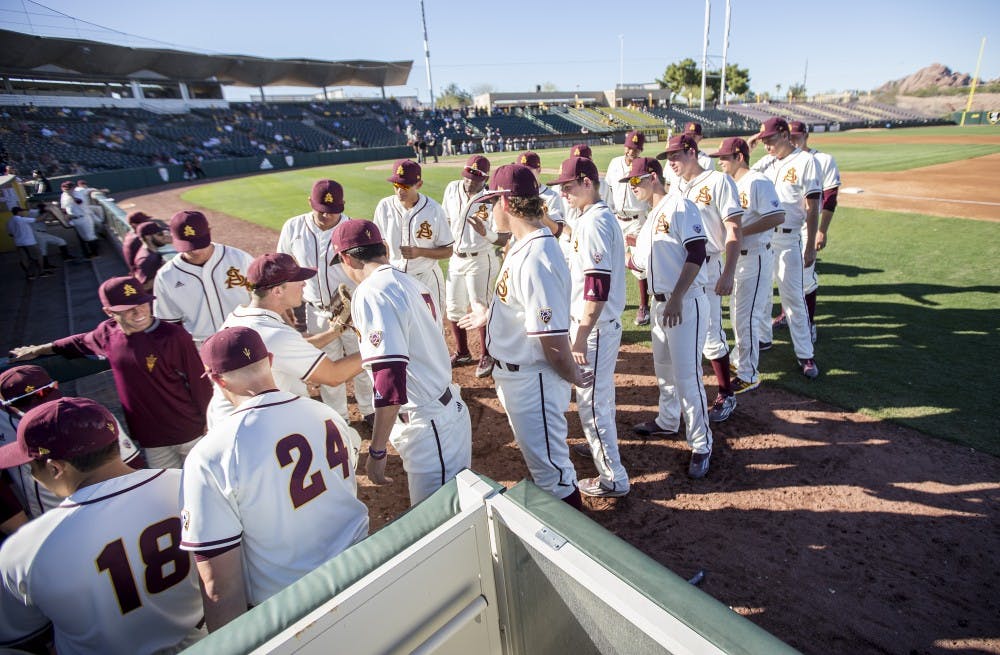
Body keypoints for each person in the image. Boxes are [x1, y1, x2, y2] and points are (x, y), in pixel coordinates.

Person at [181, 327, 368, 631]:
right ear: (269, 359)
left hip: (292, 614)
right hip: (362, 572)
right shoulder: (326, 414)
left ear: (217, 379)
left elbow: (220, 587)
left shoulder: (211, 454)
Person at [0, 397, 205, 654]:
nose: (32, 475)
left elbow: (25, 637)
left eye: (31, 467)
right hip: (205, 643)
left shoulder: (24, 548)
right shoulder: (189, 484)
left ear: (54, 469)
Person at [459, 164, 592, 509]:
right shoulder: (524, 245)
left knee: (553, 475)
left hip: (534, 381)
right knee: (545, 468)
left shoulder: (537, 255)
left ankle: (577, 554)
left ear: (506, 202)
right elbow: (525, 307)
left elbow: (552, 339)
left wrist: (571, 374)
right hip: (519, 376)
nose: (489, 211)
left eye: (492, 202)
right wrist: (492, 316)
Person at [332, 219, 472, 506]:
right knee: (455, 513)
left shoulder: (371, 292)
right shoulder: (412, 282)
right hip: (444, 412)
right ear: (383, 248)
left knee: (438, 522)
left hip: (429, 424)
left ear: (346, 258)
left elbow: (390, 380)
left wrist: (378, 451)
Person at [9, 275, 212, 468]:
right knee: (170, 488)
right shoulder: (107, 333)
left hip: (190, 430)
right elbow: (78, 342)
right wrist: (40, 349)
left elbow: (199, 382)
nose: (139, 312)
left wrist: (209, 420)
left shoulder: (174, 335)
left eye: (142, 303)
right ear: (109, 312)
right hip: (151, 436)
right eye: (128, 309)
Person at [627, 157, 714, 478]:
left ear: (653, 177)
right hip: (661, 303)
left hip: (684, 302)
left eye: (636, 182)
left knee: (687, 377)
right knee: (663, 370)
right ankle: (667, 420)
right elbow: (640, 265)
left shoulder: (680, 206)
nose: (632, 188)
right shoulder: (650, 219)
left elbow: (697, 251)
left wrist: (677, 296)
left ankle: (702, 444)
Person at [549, 156, 629, 498]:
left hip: (593, 329)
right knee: (596, 400)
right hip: (594, 326)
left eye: (568, 186)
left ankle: (613, 478)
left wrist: (580, 337)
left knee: (592, 404)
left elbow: (597, 287)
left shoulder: (596, 221)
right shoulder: (589, 217)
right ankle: (603, 454)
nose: (563, 193)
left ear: (586, 182)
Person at [206, 253, 363, 427]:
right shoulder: (273, 334)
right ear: (277, 291)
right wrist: (379, 348)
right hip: (250, 427)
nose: (304, 283)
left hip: (231, 420)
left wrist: (334, 332)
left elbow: (293, 347)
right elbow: (334, 375)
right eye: (297, 280)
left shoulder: (241, 316)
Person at [658, 134, 743, 422]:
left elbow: (733, 230)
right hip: (678, 270)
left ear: (692, 152)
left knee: (710, 334)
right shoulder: (676, 187)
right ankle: (682, 401)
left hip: (707, 266)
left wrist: (729, 271)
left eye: (676, 155)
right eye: (668, 157)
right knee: (679, 337)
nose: (671, 161)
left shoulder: (719, 182)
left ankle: (726, 393)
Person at [277, 179, 374, 424]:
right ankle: (338, 416)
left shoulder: (353, 230)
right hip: (316, 311)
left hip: (354, 311)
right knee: (326, 364)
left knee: (361, 361)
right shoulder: (293, 227)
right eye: (322, 209)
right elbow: (284, 268)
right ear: (310, 202)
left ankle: (368, 409)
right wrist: (286, 308)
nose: (327, 215)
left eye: (333, 211)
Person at [0, 365, 142, 519]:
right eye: (24, 401)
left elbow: (132, 466)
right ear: (6, 407)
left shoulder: (89, 416)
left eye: (44, 392)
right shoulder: (2, 422)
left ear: (55, 385)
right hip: (42, 519)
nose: (39, 402)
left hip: (97, 513)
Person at [710, 137, 785, 393]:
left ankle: (749, 373)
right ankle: (740, 361)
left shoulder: (757, 181)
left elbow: (777, 215)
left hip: (755, 256)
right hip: (738, 258)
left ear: (739, 157)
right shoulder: (730, 184)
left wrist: (741, 232)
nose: (719, 162)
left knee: (747, 318)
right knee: (738, 315)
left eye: (724, 157)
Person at [749, 117, 822, 378]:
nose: (766, 144)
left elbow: (814, 206)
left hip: (791, 238)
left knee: (793, 299)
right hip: (766, 238)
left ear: (783, 134)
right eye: (763, 140)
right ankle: (764, 338)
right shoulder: (768, 163)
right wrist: (752, 145)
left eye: (769, 138)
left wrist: (811, 244)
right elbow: (741, 172)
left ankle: (806, 354)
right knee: (763, 294)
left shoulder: (805, 161)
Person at [771, 121, 842, 343]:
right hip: (776, 230)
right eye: (790, 136)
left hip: (803, 228)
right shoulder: (776, 161)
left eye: (797, 136)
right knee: (782, 277)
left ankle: (809, 323)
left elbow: (829, 199)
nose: (793, 139)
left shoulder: (821, 160)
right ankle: (785, 314)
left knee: (805, 279)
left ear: (806, 135)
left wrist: (822, 231)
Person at [441, 155, 508, 377]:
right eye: (468, 176)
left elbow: (504, 237)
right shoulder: (452, 188)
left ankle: (487, 354)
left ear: (485, 178)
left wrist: (486, 233)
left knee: (480, 307)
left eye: (476, 178)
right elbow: (445, 219)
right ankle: (462, 352)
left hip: (481, 258)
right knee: (453, 306)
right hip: (455, 258)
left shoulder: (492, 199)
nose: (470, 181)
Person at [153, 210, 255, 346]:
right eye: (188, 246)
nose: (195, 251)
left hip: (250, 337)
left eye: (199, 243)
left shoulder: (240, 259)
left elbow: (265, 299)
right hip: (204, 346)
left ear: (209, 231)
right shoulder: (166, 276)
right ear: (173, 238)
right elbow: (169, 322)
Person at [373, 159, 453, 313]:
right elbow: (379, 244)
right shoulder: (384, 206)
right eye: (396, 185)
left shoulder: (434, 210)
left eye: (405, 186)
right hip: (395, 279)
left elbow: (448, 250)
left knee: (433, 327)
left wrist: (420, 252)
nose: (399, 191)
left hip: (426, 278)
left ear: (419, 184)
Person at [605, 130, 653, 326]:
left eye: (635, 149)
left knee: (639, 265)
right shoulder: (614, 164)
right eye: (628, 147)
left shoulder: (643, 167)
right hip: (617, 218)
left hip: (636, 219)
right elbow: (608, 189)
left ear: (641, 150)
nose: (630, 151)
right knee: (613, 262)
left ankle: (644, 306)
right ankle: (611, 303)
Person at [6, 206, 50, 279]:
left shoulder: (9, 221)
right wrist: (48, 211)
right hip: (29, 242)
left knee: (24, 259)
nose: (23, 213)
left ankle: (30, 275)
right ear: (19, 212)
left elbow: (10, 234)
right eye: (22, 211)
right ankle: (42, 272)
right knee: (39, 255)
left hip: (18, 243)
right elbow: (38, 219)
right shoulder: (22, 219)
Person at [60, 180, 99, 258]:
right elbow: (63, 207)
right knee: (82, 237)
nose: (66, 190)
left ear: (73, 188)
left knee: (90, 236)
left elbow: (79, 202)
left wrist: (71, 195)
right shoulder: (63, 195)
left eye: (68, 188)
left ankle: (95, 253)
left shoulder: (78, 193)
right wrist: (65, 216)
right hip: (74, 219)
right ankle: (88, 254)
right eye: (64, 188)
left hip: (84, 218)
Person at [131, 220, 171, 290]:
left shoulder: (149, 251)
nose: (164, 236)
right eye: (160, 234)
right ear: (148, 237)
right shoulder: (146, 259)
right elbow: (142, 287)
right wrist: (167, 269)